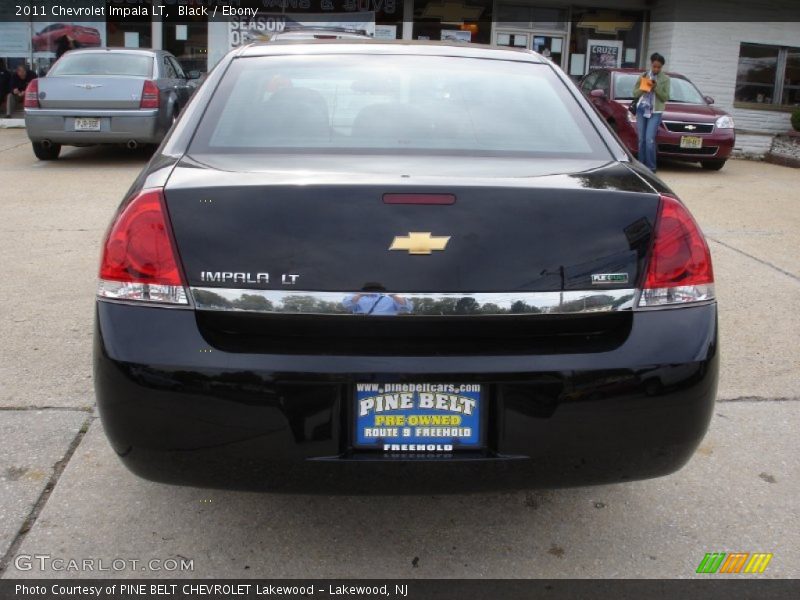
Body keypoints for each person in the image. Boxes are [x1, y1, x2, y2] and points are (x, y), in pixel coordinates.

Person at [632, 52, 670, 173]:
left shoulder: (665, 79)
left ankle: (651, 167)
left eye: (659, 67)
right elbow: (634, 94)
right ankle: (641, 166)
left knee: (649, 139)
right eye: (654, 66)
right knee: (641, 139)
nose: (656, 69)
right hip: (642, 109)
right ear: (651, 64)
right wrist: (644, 88)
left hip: (655, 111)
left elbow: (665, 97)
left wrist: (656, 87)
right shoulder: (643, 76)